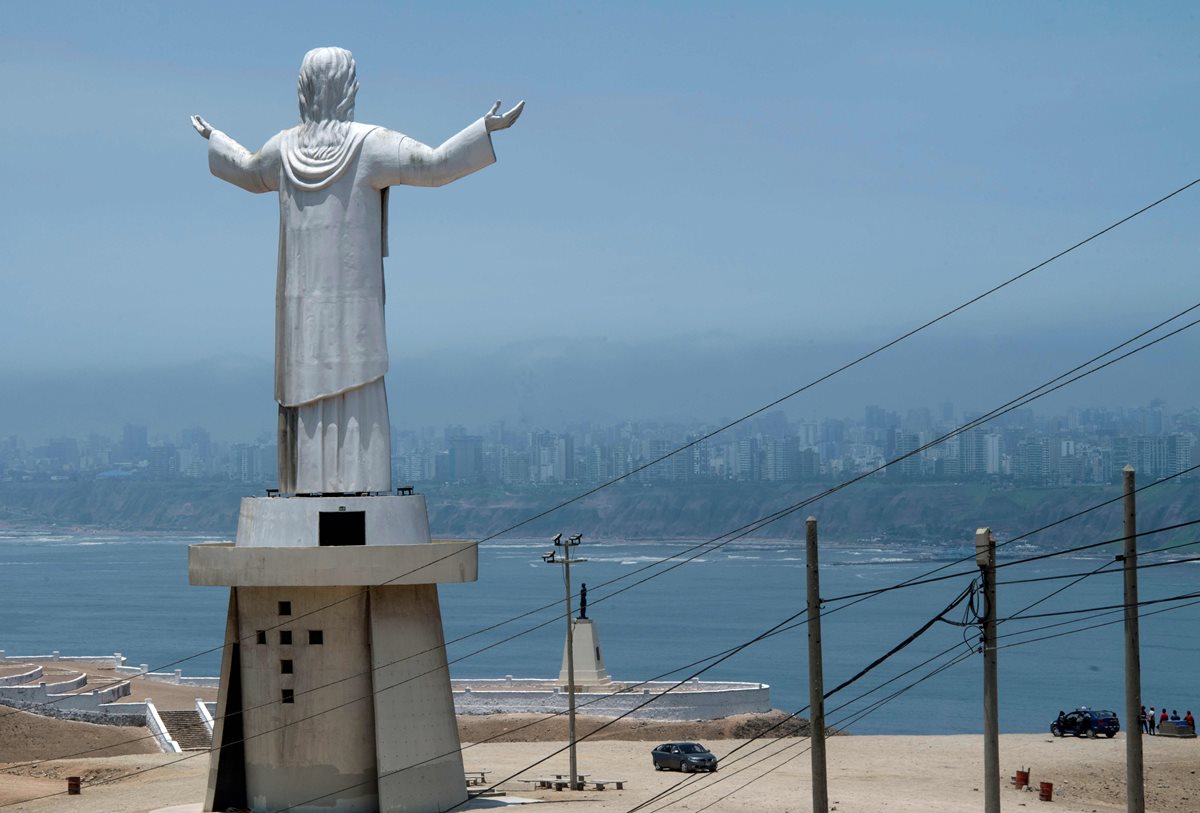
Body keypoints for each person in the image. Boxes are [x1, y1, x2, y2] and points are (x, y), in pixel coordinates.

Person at [191, 47, 523, 493]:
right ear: (349, 88)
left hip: (302, 315)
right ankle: (359, 486)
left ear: (303, 89)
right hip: (353, 313)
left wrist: (216, 138)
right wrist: (484, 129)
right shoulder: (371, 144)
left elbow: (249, 170)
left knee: (312, 390)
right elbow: (436, 165)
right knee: (358, 386)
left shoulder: (284, 148)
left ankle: (307, 487)